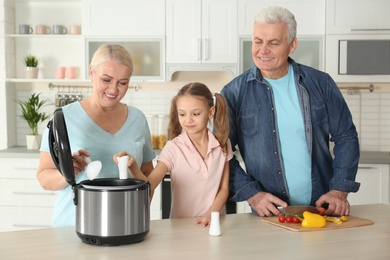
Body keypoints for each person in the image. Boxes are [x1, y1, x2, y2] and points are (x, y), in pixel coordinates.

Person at [220, 6, 360, 217]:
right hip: (269, 213)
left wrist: (339, 190)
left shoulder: (321, 83)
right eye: (258, 41)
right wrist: (253, 195)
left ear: (292, 45)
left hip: (323, 208)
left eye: (273, 43)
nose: (263, 50)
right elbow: (220, 151)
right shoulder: (233, 93)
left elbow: (346, 136)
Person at [37, 44, 155, 227]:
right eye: (106, 80)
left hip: (126, 225)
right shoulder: (64, 118)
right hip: (72, 227)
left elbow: (148, 175)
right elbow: (44, 176)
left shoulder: (138, 119)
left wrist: (138, 211)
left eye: (122, 83)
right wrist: (68, 173)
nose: (114, 90)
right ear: (92, 73)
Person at [115, 82, 233, 227]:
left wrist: (211, 214)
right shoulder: (173, 148)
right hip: (181, 228)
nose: (188, 119)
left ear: (210, 112)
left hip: (215, 223)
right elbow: (149, 186)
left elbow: (223, 189)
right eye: (182, 114)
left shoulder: (222, 144)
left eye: (195, 114)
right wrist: (132, 166)